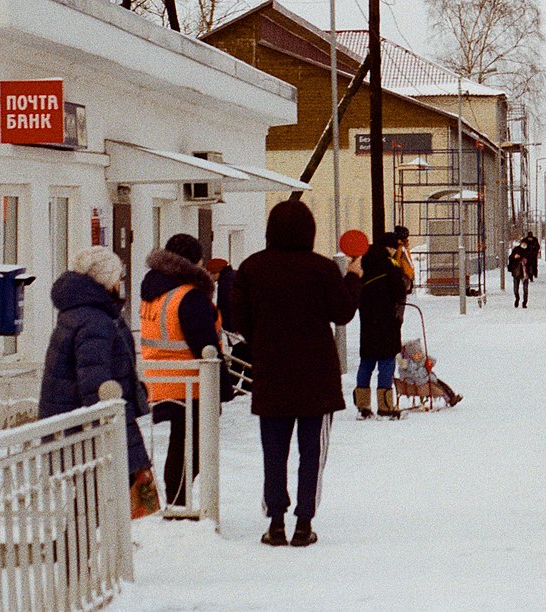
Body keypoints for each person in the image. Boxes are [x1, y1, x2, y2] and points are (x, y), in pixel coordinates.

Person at [231, 199, 362, 549]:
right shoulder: (321, 269)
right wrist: (352, 278)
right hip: (317, 378)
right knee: (311, 454)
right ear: (310, 230)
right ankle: (304, 523)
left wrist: (259, 340)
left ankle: (275, 522)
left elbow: (237, 318)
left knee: (274, 452)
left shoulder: (252, 267)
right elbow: (343, 312)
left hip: (272, 374)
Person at [39, 245, 153, 508]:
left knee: (96, 501)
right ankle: (80, 550)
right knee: (98, 502)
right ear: (105, 281)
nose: (120, 282)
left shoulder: (83, 314)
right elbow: (95, 383)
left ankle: (93, 548)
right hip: (92, 427)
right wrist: (109, 423)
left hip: (80, 423)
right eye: (117, 277)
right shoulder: (95, 320)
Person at [139, 233, 229, 508]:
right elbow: (205, 346)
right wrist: (222, 389)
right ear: (195, 261)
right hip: (193, 382)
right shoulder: (188, 296)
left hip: (162, 379)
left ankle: (179, 501)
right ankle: (179, 504)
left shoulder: (154, 290)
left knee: (182, 445)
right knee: (192, 450)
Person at [354, 233, 408, 419]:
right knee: (386, 360)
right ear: (390, 248)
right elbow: (399, 291)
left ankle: (363, 405)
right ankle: (385, 405)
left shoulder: (363, 261)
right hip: (386, 319)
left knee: (367, 360)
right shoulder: (390, 265)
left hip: (367, 318)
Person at [397, 338, 463, 407]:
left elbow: (432, 361)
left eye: (420, 353)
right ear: (410, 356)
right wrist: (426, 370)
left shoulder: (419, 361)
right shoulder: (409, 365)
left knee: (441, 383)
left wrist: (429, 362)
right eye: (416, 354)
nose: (419, 355)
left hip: (426, 380)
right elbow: (417, 376)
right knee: (438, 387)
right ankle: (450, 399)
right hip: (420, 384)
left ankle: (451, 397)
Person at [391, 225, 417, 293]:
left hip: (403, 276)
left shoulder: (400, 247)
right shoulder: (402, 248)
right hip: (404, 276)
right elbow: (404, 263)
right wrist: (410, 275)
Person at [507, 241, 530, 308]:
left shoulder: (528, 250)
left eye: (525, 244)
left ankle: (524, 302)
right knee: (516, 288)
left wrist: (527, 261)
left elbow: (532, 259)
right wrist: (515, 257)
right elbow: (511, 257)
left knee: (525, 289)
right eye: (523, 243)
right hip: (517, 270)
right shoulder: (516, 249)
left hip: (525, 271)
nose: (524, 245)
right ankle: (517, 298)